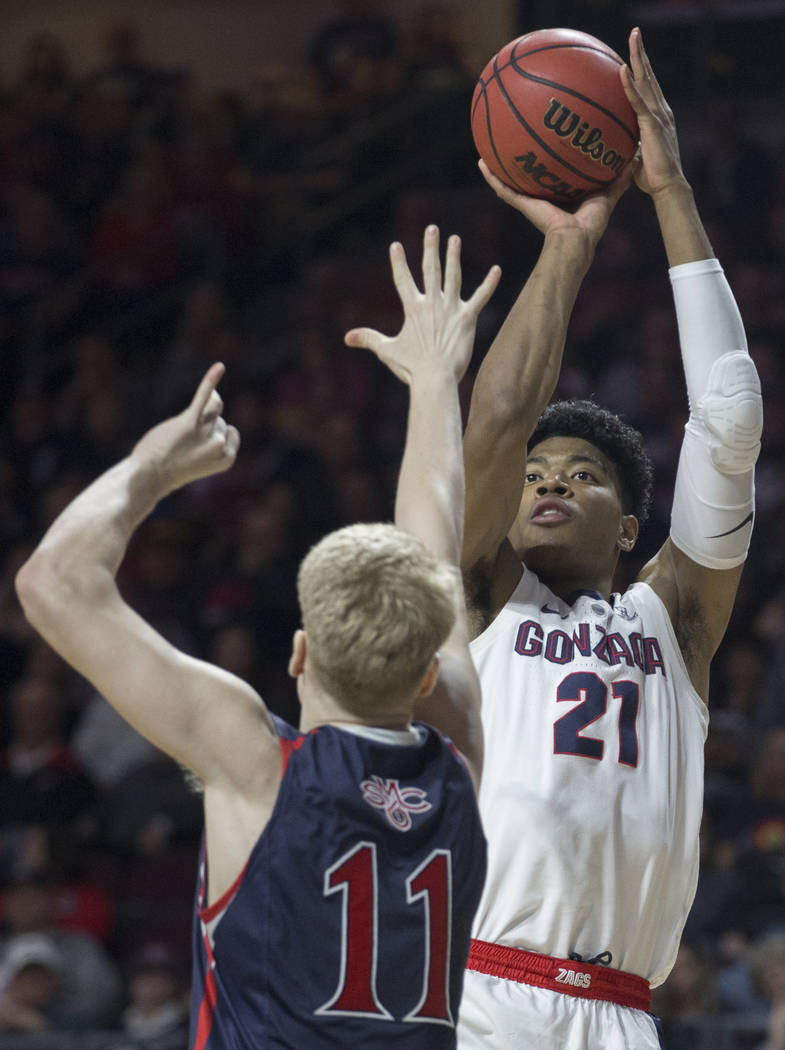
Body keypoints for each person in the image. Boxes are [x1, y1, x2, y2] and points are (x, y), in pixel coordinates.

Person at [15, 226, 500, 1049]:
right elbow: (434, 534)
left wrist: (148, 468)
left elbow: (50, 582)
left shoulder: (256, 762)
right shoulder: (455, 746)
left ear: (299, 653)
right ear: (424, 672)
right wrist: (432, 382)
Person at [455, 27, 761, 1050]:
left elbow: (725, 414)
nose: (545, 484)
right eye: (536, 478)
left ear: (629, 526)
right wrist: (568, 246)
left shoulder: (668, 617)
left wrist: (665, 192)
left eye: (577, 477)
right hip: (485, 995)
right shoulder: (484, 593)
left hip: (621, 1016)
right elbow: (495, 423)